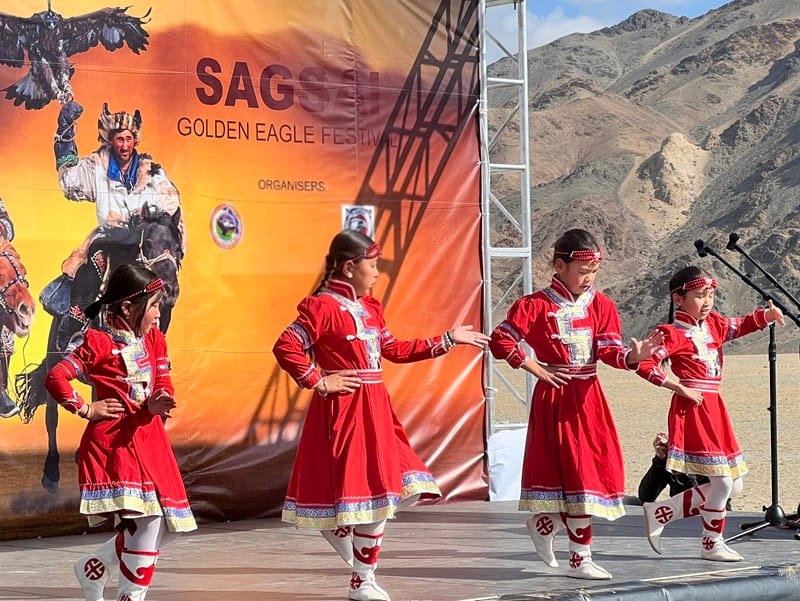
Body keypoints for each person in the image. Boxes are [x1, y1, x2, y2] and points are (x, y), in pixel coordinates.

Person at [272, 229, 489, 601]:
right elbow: (286, 346)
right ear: (349, 266)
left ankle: (347, 545)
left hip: (377, 407)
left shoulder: (371, 308)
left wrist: (448, 339)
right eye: (372, 266)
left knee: (398, 485)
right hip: (345, 408)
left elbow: (395, 349)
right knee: (371, 489)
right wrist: (319, 381)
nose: (376, 273)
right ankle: (362, 580)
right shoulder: (320, 307)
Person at [489, 229, 663, 580]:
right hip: (555, 396)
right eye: (583, 272)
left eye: (594, 273)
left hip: (588, 397)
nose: (589, 279)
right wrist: (535, 367)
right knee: (569, 473)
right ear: (559, 265)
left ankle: (546, 524)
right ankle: (579, 558)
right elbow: (501, 340)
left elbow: (608, 350)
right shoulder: (534, 305)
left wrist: (632, 356)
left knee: (590, 473)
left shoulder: (602, 305)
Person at [44, 264, 196, 601]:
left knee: (171, 524)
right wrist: (86, 409)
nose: (159, 313)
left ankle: (93, 566)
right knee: (151, 523)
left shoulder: (155, 339)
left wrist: (159, 401)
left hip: (151, 440)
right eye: (154, 305)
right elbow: (55, 377)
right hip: (115, 444)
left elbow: (163, 378)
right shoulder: (96, 341)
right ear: (128, 307)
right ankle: (129, 597)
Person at [635, 265, 783, 562]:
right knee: (722, 482)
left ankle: (661, 513)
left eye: (710, 295)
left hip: (714, 408)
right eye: (700, 296)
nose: (707, 301)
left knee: (734, 484)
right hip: (692, 408)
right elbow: (645, 364)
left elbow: (738, 325)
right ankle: (711, 542)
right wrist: (679, 387)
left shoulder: (712, 324)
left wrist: (765, 316)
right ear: (678, 298)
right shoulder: (671, 333)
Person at [51, 100, 184, 351]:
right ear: (110, 140)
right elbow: (70, 182)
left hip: (145, 241)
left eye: (128, 139)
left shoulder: (152, 171)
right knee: (91, 267)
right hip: (111, 239)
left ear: (135, 140)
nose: (124, 145)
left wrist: (152, 218)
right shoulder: (97, 166)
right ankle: (74, 325)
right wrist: (65, 130)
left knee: (165, 284)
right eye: (119, 139)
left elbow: (171, 201)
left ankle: (157, 346)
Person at [638, 432, 709, 502]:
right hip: (678, 510)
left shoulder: (713, 460)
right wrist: (660, 460)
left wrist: (682, 470)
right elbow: (646, 497)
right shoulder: (672, 457)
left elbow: (695, 501)